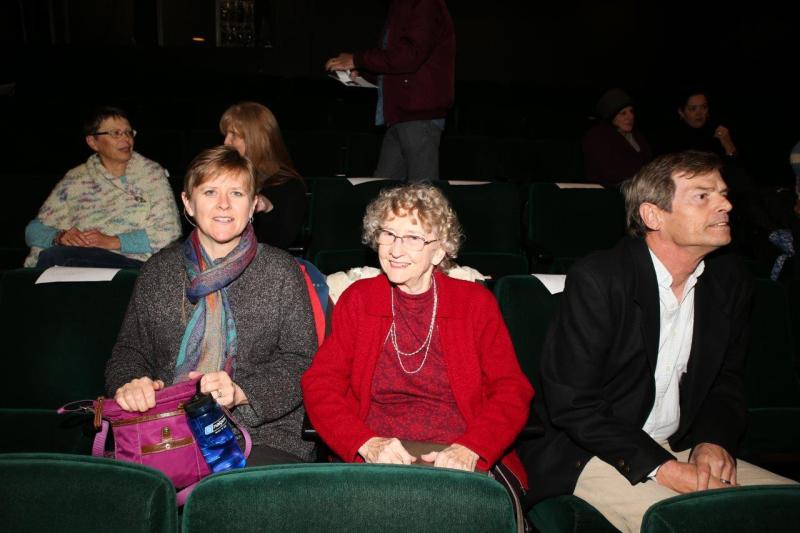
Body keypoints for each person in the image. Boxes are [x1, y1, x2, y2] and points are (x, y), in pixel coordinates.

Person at [517, 151, 795, 532]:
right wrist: (661, 467)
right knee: (699, 523)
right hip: (595, 453)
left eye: (723, 193)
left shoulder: (729, 282)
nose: (725, 204)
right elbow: (574, 405)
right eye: (703, 195)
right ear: (653, 216)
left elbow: (725, 381)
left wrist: (712, 441)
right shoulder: (601, 279)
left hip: (682, 445)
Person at [302, 184, 533, 482]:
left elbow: (511, 389)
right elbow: (320, 384)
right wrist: (365, 443)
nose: (396, 250)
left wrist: (473, 447)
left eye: (413, 238)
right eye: (388, 234)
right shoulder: (359, 299)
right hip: (379, 456)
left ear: (439, 251)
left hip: (458, 455)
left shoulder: (474, 303)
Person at [106, 145, 317, 465]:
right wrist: (132, 385)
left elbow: (302, 361)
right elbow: (129, 352)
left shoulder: (281, 271)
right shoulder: (158, 272)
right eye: (209, 192)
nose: (223, 204)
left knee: (231, 499)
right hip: (164, 431)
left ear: (253, 206)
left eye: (236, 193)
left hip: (261, 435)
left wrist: (241, 392)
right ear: (187, 203)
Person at [24, 106, 181, 268]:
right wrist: (59, 237)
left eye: (128, 132)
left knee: (55, 257)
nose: (126, 139)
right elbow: (33, 230)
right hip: (81, 258)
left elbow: (168, 232)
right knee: (54, 258)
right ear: (93, 142)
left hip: (135, 264)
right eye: (115, 133)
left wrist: (112, 241)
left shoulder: (151, 174)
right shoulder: (75, 179)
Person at [324, 0, 455, 182]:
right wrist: (363, 73)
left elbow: (410, 56)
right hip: (400, 114)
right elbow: (396, 63)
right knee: (384, 191)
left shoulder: (425, 4)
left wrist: (358, 60)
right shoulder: (401, 5)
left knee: (422, 194)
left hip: (418, 115)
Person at [220, 101, 306, 250]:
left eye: (233, 135)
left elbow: (281, 242)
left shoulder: (289, 186)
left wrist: (268, 209)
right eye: (226, 134)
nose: (226, 142)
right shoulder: (224, 175)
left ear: (255, 139)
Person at [582, 88, 652, 187]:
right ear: (611, 116)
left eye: (631, 111)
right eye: (623, 113)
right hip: (609, 192)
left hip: (640, 188)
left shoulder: (636, 136)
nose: (630, 117)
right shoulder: (597, 137)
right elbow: (608, 171)